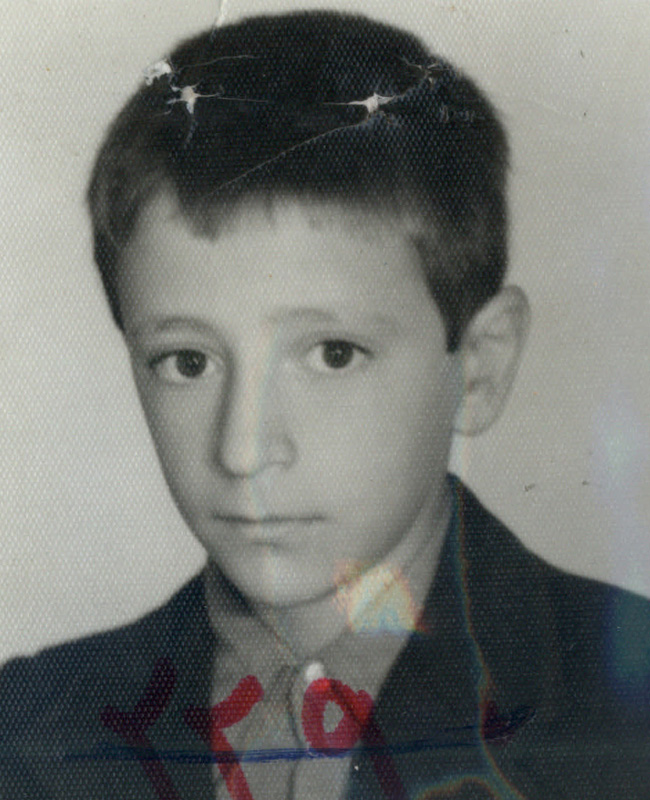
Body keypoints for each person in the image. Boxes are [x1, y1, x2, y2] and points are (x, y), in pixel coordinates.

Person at [1, 10, 649, 800]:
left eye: (333, 354)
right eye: (187, 361)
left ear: (478, 368)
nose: (244, 451)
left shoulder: (627, 720)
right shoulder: (27, 727)